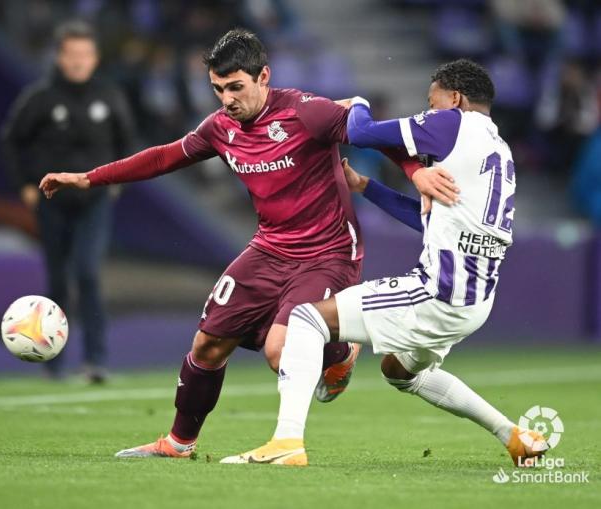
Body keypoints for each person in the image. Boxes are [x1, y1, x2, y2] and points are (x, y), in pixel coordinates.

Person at [40, 29, 455, 458]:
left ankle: (337, 349)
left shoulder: (306, 112)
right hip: (269, 248)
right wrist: (90, 177)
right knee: (207, 344)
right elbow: (164, 156)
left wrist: (415, 173)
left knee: (280, 352)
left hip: (327, 253)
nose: (227, 99)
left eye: (236, 87)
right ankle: (179, 442)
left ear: (263, 77)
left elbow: (373, 134)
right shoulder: (220, 127)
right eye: (218, 89)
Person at [222, 59, 548, 467]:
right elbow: (429, 221)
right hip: (476, 302)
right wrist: (366, 187)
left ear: (455, 99)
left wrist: (356, 101)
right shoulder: (498, 149)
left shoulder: (452, 124)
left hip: (437, 292)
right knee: (399, 370)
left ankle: (287, 440)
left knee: (306, 319)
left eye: (432, 102)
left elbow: (359, 131)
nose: (429, 110)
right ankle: (516, 436)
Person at [1, 20, 136, 382]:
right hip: (51, 203)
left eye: (85, 54)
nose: (78, 61)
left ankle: (96, 360)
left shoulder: (109, 96)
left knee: (88, 273)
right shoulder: (41, 98)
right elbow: (12, 140)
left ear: (95, 58)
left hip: (94, 202)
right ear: (60, 57)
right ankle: (51, 362)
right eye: (71, 54)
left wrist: (118, 180)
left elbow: (128, 140)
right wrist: (25, 184)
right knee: (59, 279)